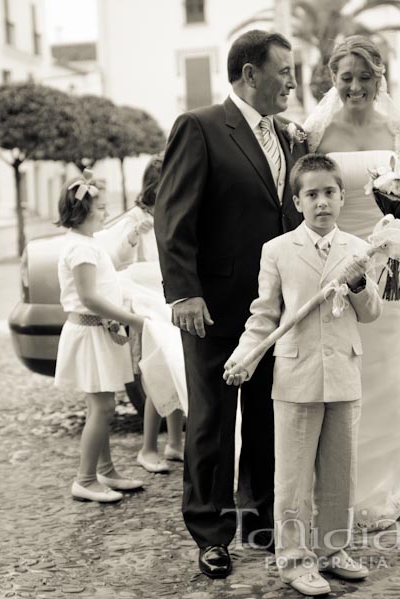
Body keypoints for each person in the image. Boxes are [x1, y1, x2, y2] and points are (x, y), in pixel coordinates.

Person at [154, 29, 305, 578]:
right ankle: (211, 533)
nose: (292, 80)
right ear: (249, 75)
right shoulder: (200, 127)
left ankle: (259, 518)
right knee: (213, 422)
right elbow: (172, 217)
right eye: (284, 70)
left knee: (267, 416)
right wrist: (185, 292)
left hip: (275, 310)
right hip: (213, 306)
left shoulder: (289, 136)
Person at [303, 35, 400, 530]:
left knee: (391, 372)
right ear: (333, 79)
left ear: (379, 78)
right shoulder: (315, 132)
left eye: (365, 77)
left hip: (392, 268)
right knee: (348, 376)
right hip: (336, 267)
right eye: (346, 78)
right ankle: (345, 479)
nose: (355, 87)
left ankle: (391, 475)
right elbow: (305, 195)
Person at [224, 154, 381, 596]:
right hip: (295, 375)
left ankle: (334, 549)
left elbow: (371, 313)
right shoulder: (276, 251)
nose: (322, 202)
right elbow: (264, 316)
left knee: (339, 472)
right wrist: (244, 356)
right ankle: (294, 560)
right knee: (291, 477)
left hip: (344, 372)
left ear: (342, 197)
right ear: (297, 201)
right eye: (311, 194)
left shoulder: (359, 249)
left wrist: (357, 285)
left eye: (329, 192)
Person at [54, 169, 147, 503]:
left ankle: (106, 470)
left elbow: (113, 271)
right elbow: (90, 298)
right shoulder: (79, 249)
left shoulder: (87, 243)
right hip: (90, 334)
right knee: (102, 407)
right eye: (102, 208)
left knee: (102, 403)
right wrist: (132, 320)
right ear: (82, 211)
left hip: (98, 333)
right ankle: (85, 479)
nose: (106, 213)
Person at [101, 155, 186, 474]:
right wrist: (134, 235)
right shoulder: (137, 216)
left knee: (177, 368)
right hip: (146, 307)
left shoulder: (175, 211)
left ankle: (175, 443)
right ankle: (148, 447)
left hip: (170, 300)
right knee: (155, 375)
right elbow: (118, 260)